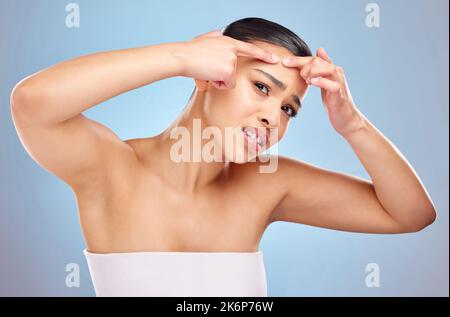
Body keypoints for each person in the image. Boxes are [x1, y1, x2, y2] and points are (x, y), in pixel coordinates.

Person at [10, 17, 436, 296]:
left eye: (288, 109)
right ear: (210, 77)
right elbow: (32, 103)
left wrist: (352, 125)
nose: (274, 116)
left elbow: (410, 214)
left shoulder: (267, 184)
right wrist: (179, 56)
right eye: (262, 88)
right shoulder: (111, 169)